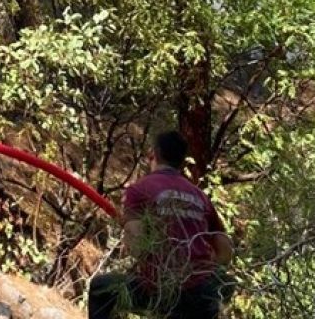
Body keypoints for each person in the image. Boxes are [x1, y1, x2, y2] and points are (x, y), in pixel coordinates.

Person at [88, 131, 234, 319]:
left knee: (101, 289)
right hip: (201, 295)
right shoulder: (199, 196)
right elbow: (225, 249)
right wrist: (201, 277)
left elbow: (136, 247)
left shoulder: (140, 189)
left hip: (161, 289)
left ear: (154, 154)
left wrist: (130, 229)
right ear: (182, 162)